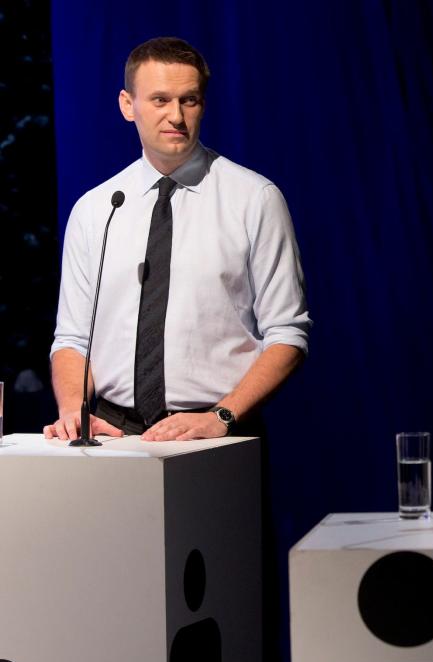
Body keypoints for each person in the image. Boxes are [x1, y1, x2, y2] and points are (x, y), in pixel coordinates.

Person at [44, 37, 310, 442]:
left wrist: (220, 417)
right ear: (127, 105)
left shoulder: (254, 199)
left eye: (189, 100)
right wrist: (73, 411)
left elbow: (288, 334)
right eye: (160, 100)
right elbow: (73, 339)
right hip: (115, 434)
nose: (177, 116)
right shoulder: (96, 209)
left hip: (216, 434)